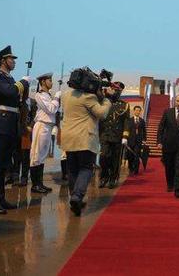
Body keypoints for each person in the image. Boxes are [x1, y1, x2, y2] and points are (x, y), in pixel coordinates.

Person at [61, 69, 113, 216]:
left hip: (69, 137)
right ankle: (77, 196)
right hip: (84, 138)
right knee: (86, 168)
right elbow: (102, 114)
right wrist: (108, 99)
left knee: (72, 169)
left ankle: (74, 198)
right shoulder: (88, 98)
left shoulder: (66, 95)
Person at [0, 45, 30, 214]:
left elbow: (17, 99)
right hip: (1, 122)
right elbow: (10, 93)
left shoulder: (10, 79)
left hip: (12, 124)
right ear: (3, 61)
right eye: (11, 59)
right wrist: (23, 82)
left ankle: (1, 198)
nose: (14, 61)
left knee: (4, 165)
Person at [29, 73, 61, 194]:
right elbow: (51, 109)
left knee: (42, 156)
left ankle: (40, 183)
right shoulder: (40, 95)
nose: (51, 82)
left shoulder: (48, 95)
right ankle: (35, 185)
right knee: (36, 155)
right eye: (49, 80)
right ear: (43, 82)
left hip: (48, 126)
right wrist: (57, 98)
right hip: (41, 125)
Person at [99, 82, 130, 189]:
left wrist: (125, 136)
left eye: (118, 90)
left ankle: (113, 178)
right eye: (114, 89)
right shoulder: (103, 102)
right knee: (103, 157)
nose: (116, 92)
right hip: (104, 134)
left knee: (115, 159)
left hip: (117, 136)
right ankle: (103, 177)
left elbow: (126, 121)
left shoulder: (124, 105)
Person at [127, 105, 147, 176]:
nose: (138, 112)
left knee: (136, 155)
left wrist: (144, 139)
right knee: (130, 156)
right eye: (136, 110)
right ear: (134, 111)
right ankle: (130, 168)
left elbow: (144, 131)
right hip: (130, 141)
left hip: (138, 142)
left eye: (139, 110)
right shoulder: (129, 120)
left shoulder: (142, 121)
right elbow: (127, 130)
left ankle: (136, 170)